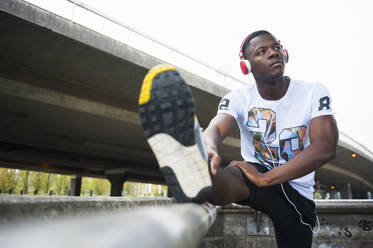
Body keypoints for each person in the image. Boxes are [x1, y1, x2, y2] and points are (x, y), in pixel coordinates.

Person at [138, 30, 339, 248]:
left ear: (285, 53)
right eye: (262, 51)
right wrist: (210, 148)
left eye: (276, 47)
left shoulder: (313, 91)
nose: (273, 53)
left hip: (296, 190)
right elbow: (216, 127)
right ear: (247, 66)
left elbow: (325, 146)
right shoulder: (238, 98)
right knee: (235, 173)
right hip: (256, 174)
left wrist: (268, 178)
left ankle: (203, 174)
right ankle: (200, 173)